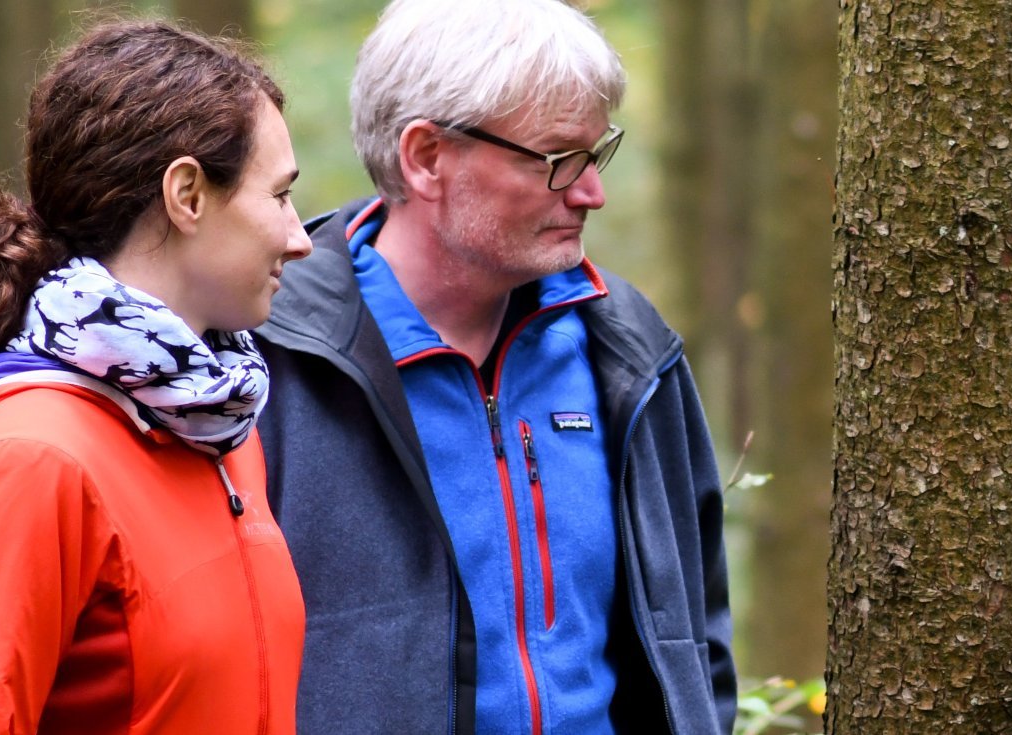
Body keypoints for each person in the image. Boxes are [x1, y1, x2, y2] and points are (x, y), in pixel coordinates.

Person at [250, 0, 734, 733]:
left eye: (594, 155)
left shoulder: (627, 345)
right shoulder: (271, 365)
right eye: (554, 160)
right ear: (426, 157)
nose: (589, 191)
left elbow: (694, 640)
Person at [0, 20, 317, 735]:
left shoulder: (217, 423)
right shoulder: (26, 458)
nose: (300, 237)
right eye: (279, 195)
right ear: (188, 195)